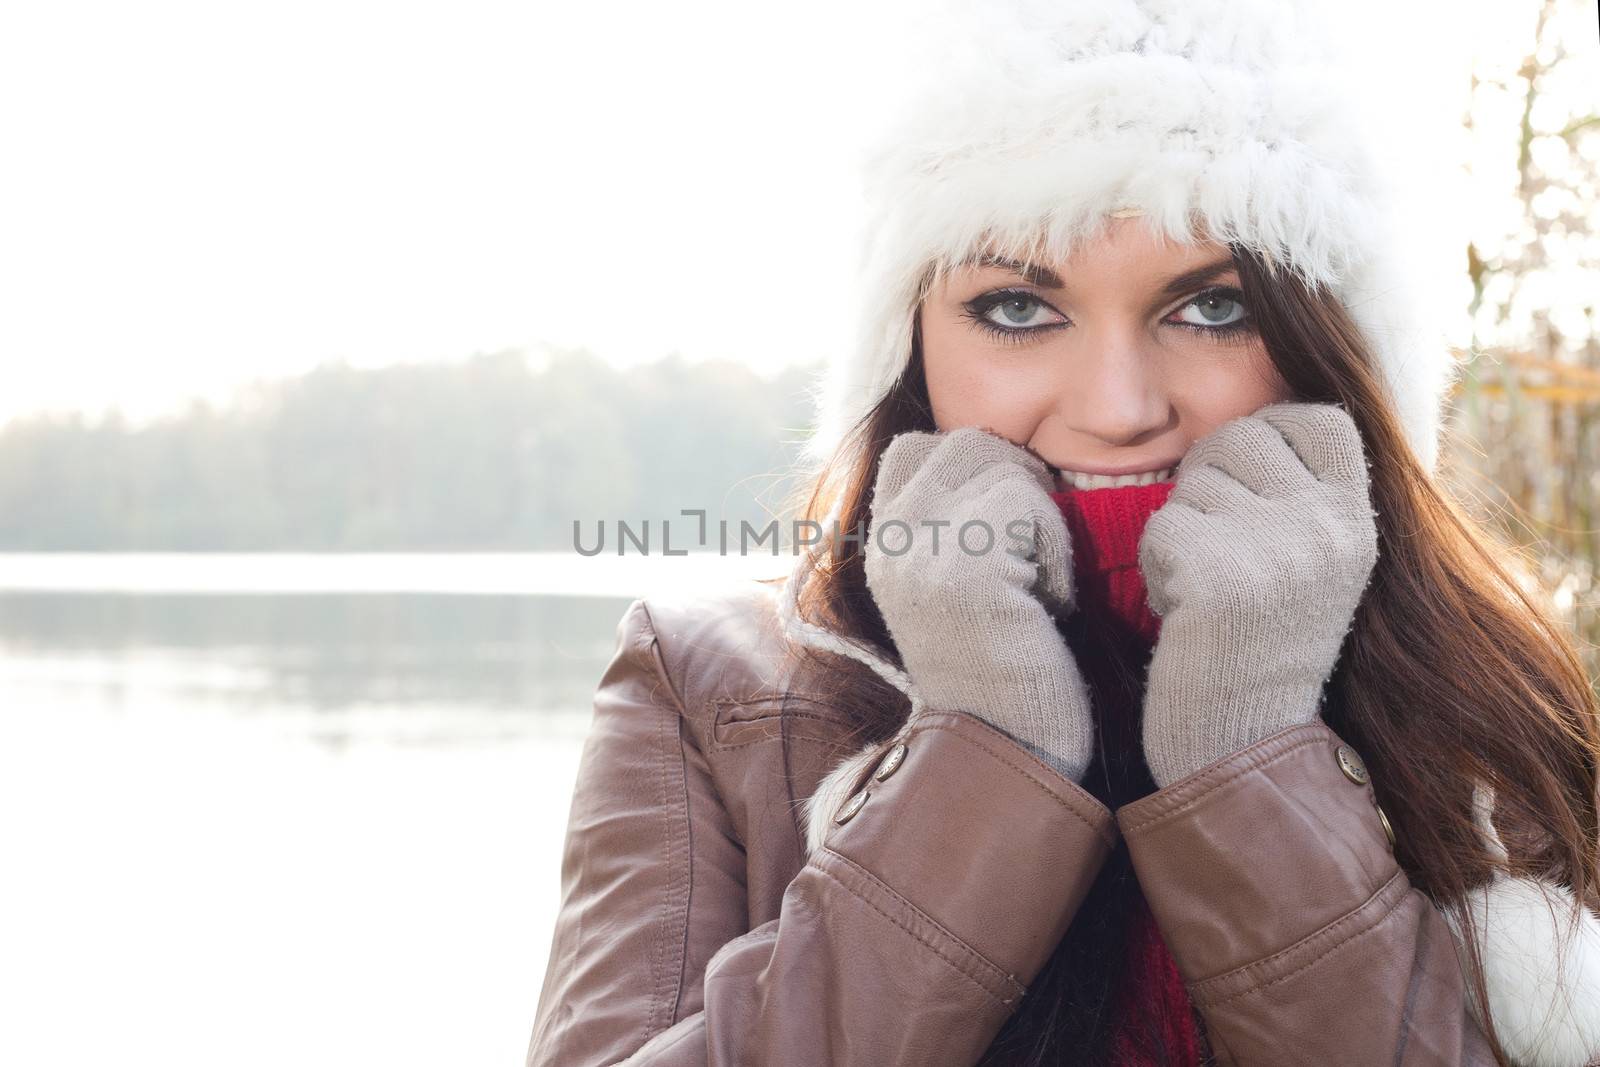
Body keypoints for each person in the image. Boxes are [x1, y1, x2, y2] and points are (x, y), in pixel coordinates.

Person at [524, 1, 1600, 1064]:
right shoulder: (718, 689)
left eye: (1213, 306)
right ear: (909, 345)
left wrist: (1249, 751)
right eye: (1017, 308)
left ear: (1336, 347)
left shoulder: (1494, 702)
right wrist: (983, 759)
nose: (1118, 405)